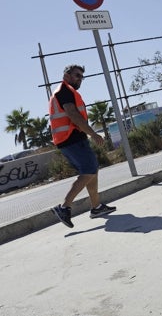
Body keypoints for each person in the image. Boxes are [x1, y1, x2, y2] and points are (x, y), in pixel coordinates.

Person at [49, 64, 116, 228]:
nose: (80, 79)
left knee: (92, 170)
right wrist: (92, 134)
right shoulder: (63, 91)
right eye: (77, 75)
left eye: (81, 77)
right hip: (70, 139)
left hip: (72, 138)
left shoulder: (69, 92)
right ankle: (64, 207)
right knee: (89, 170)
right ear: (67, 75)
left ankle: (96, 207)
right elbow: (73, 115)